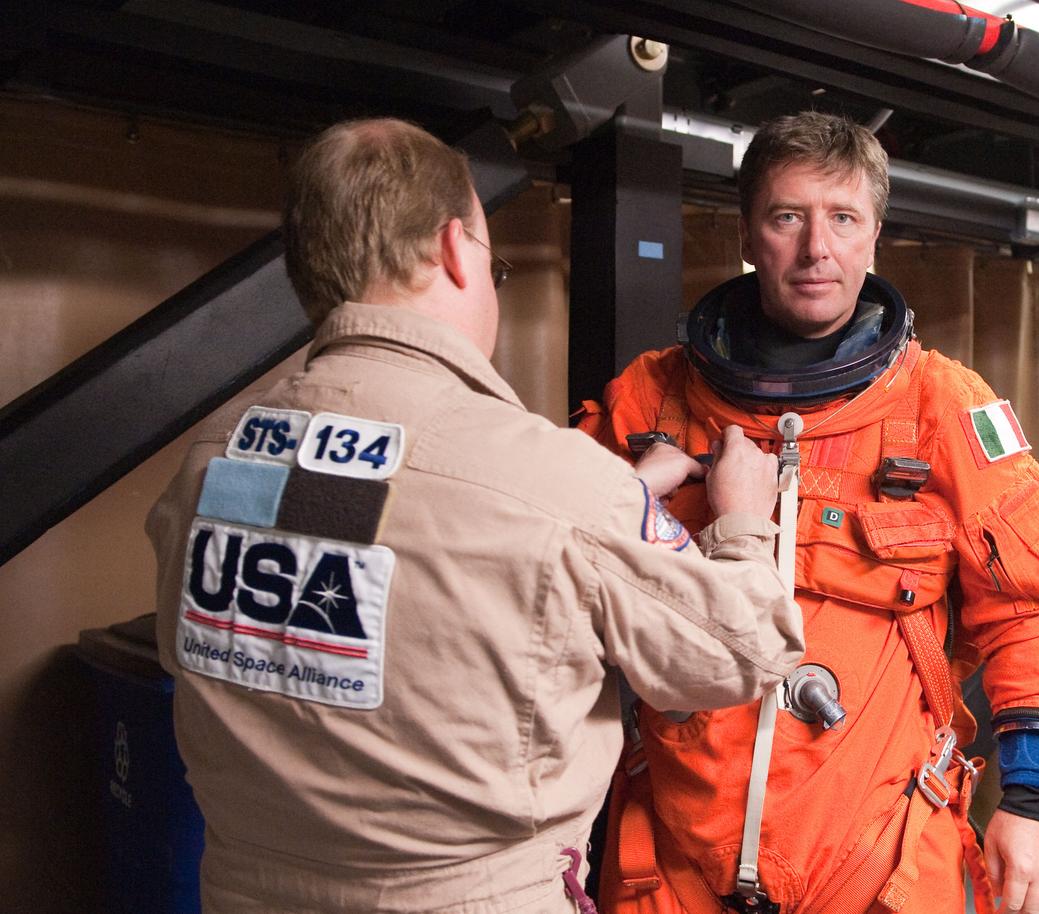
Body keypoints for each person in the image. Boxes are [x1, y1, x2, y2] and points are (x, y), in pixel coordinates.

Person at [145, 117, 807, 914]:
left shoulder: (209, 466)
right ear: (457, 248)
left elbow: (384, 531)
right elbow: (736, 655)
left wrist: (611, 498)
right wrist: (739, 522)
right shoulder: (550, 478)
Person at [578, 111, 1039, 914]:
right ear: (750, 233)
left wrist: (1033, 802)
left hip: (877, 853)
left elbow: (1037, 606)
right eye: (789, 217)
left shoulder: (939, 407)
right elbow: (540, 579)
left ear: (874, 237)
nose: (817, 248)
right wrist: (630, 494)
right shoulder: (650, 399)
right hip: (672, 854)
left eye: (843, 219)